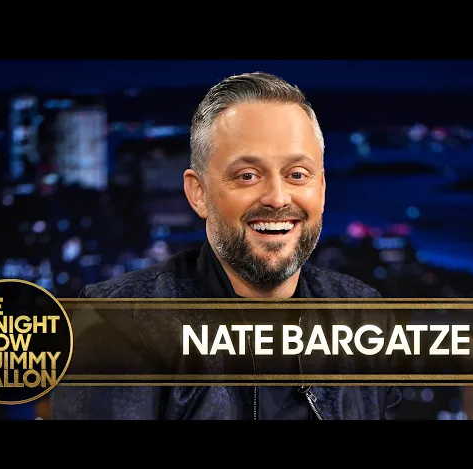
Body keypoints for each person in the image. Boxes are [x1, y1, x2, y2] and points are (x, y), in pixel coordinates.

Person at [51, 72, 401, 420]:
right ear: (198, 193)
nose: (278, 198)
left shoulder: (364, 317)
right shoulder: (119, 324)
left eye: (297, 174)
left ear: (321, 190)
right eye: (247, 176)